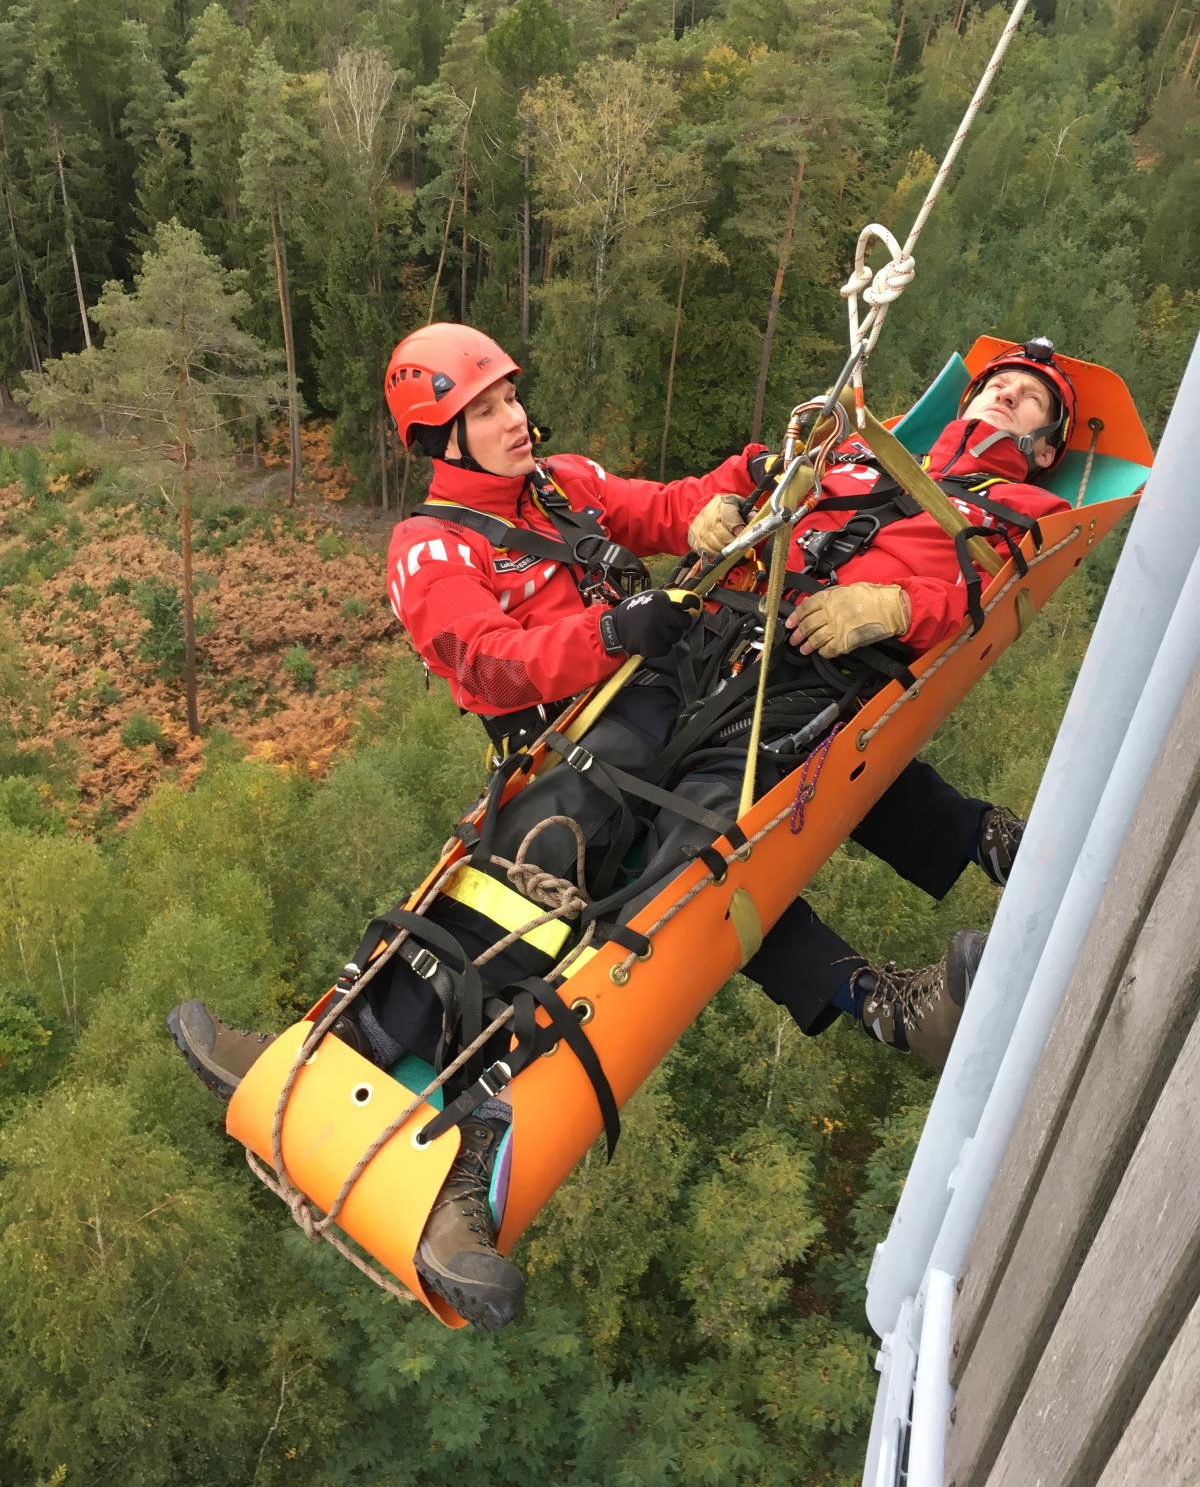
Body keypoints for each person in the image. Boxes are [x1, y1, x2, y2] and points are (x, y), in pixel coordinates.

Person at [168, 326, 1072, 1330]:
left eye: (513, 398)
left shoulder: (559, 485)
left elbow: (662, 507)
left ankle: (886, 993)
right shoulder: (429, 547)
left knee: (713, 843)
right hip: (564, 745)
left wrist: (744, 485)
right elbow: (487, 657)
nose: (514, 420)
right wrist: (610, 632)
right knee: (519, 915)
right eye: (487, 411)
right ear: (444, 437)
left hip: (650, 704)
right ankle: (336, 1067)